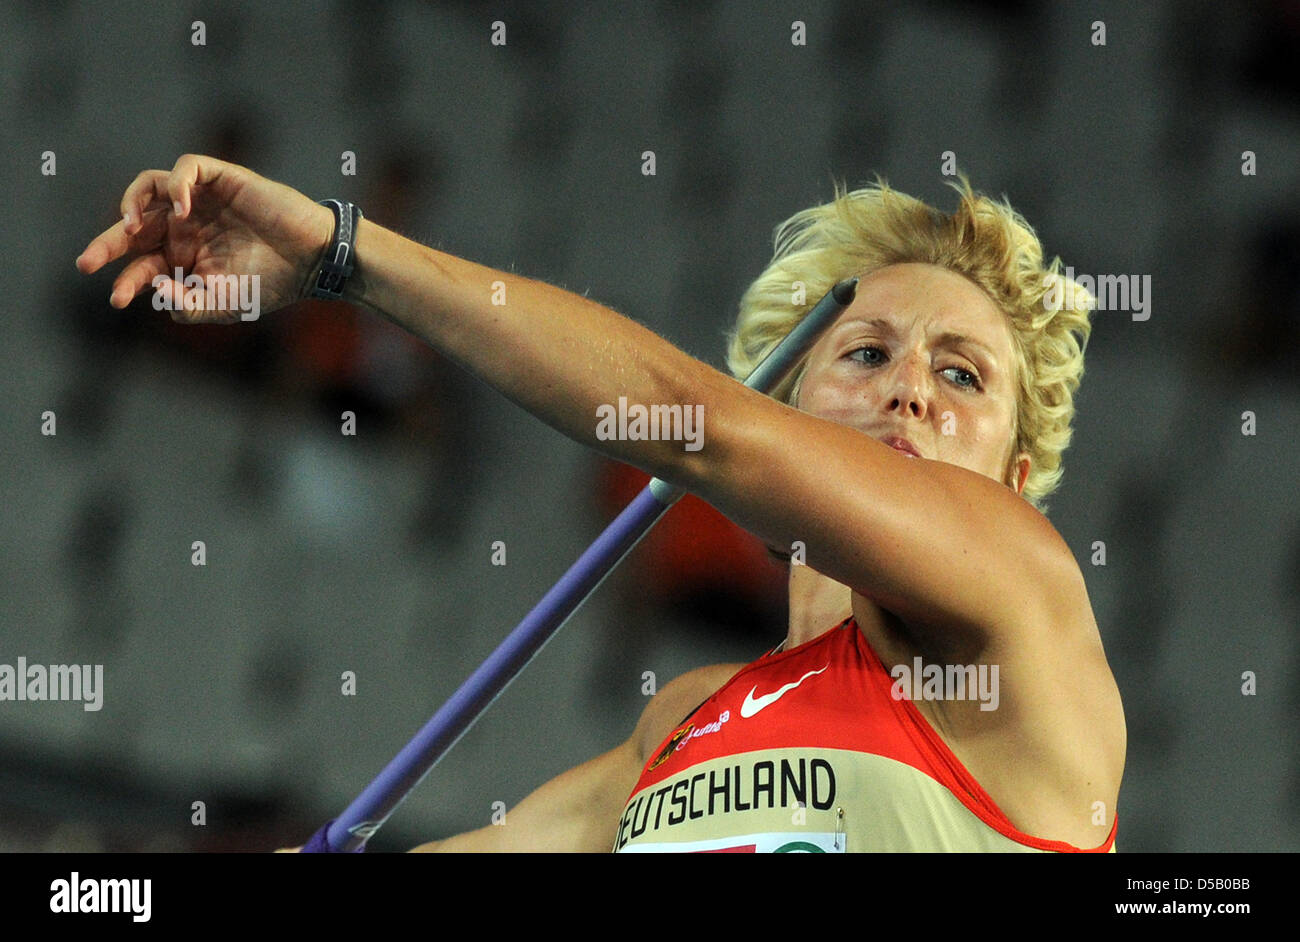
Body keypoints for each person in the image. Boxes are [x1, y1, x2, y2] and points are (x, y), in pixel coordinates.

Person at [77, 155, 1124, 853]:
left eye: (964, 376)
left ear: (1016, 478)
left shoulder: (1019, 612)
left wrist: (341, 254)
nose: (908, 389)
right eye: (866, 351)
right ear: (794, 401)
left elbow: (695, 422)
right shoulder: (680, 726)